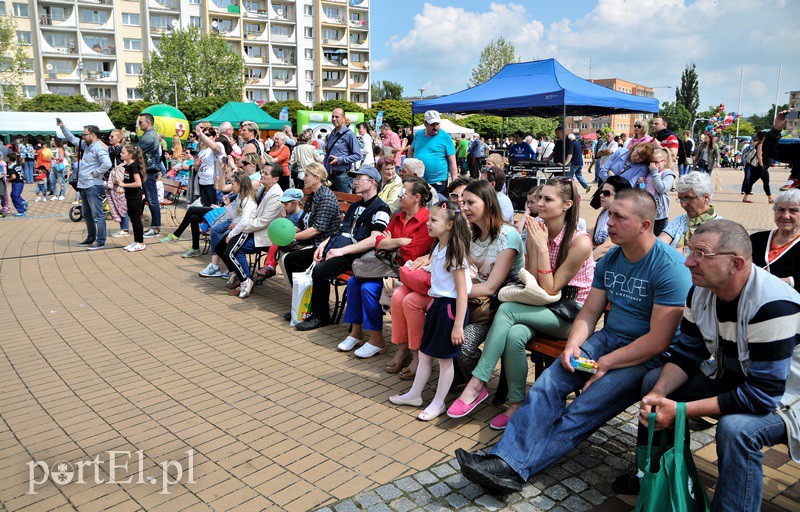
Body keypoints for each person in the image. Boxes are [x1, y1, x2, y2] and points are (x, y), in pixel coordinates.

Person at [455, 189, 692, 493]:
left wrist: (603, 365)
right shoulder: (611, 260)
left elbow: (659, 341)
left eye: (620, 217)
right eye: (610, 216)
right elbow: (590, 313)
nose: (609, 223)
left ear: (646, 225)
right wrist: (573, 346)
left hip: (647, 355)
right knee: (548, 385)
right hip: (609, 340)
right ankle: (507, 462)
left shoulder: (669, 266)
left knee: (584, 408)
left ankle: (511, 467)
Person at [623, 220, 800, 511]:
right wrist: (658, 395)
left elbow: (763, 396)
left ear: (736, 263)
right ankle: (653, 474)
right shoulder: (701, 290)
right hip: (735, 378)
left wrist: (680, 411)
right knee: (655, 383)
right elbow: (686, 354)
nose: (689, 261)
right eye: (690, 250)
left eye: (701, 254)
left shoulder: (773, 304)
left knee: (736, 429)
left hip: (787, 398)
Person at [450, 179, 594, 429]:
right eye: (540, 198)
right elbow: (533, 282)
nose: (540, 204)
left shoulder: (579, 241)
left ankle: (477, 383)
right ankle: (516, 404)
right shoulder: (538, 229)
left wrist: (538, 247)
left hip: (571, 315)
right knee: (515, 334)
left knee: (506, 309)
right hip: (542, 307)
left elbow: (551, 287)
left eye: (548, 200)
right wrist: (537, 246)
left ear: (567, 205)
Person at [389, 200, 472, 421]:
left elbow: (462, 292)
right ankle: (415, 394)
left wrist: (457, 325)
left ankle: (438, 402)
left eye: (433, 220)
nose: (428, 224)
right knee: (425, 353)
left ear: (450, 225)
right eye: (429, 219)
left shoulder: (455, 253)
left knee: (445, 359)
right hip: (438, 305)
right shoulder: (438, 247)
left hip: (450, 309)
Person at [342, 179, 434, 360]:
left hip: (404, 271)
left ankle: (377, 340)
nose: (399, 195)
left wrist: (389, 243)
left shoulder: (426, 220)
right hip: (385, 265)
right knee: (354, 281)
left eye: (404, 192)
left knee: (369, 288)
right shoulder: (398, 216)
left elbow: (413, 252)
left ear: (416, 198)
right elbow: (378, 243)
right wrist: (399, 242)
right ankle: (356, 332)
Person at [292, 166, 391, 331]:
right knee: (297, 259)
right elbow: (341, 230)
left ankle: (321, 316)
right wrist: (324, 245)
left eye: (360, 179)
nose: (355, 182)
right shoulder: (355, 206)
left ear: (372, 182)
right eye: (355, 179)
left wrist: (342, 251)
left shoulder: (381, 208)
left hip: (357, 255)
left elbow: (375, 239)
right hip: (340, 248)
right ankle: (303, 307)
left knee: (320, 270)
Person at [220, 163, 284, 299]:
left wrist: (242, 227)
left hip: (265, 234)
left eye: (266, 174)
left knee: (236, 250)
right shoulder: (262, 189)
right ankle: (240, 276)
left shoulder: (276, 195)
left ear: (275, 179)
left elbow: (264, 221)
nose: (262, 175)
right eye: (262, 172)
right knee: (223, 243)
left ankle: (245, 281)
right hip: (251, 229)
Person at [277, 163, 341, 290]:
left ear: (317, 178)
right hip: (312, 242)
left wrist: (292, 237)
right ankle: (298, 297)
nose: (303, 178)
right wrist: (285, 234)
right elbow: (302, 223)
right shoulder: (313, 195)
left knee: (291, 259)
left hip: (323, 245)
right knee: (282, 251)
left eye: (306, 175)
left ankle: (303, 298)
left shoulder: (326, 198)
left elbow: (316, 229)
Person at [59, 121, 112, 250]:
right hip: (84, 185)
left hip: (93, 185)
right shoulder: (87, 146)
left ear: (93, 135)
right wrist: (63, 127)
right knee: (87, 214)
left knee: (97, 215)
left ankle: (100, 241)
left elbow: (107, 163)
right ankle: (90, 238)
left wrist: (96, 172)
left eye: (85, 134)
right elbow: (72, 139)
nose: (83, 137)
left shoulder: (99, 148)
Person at [750, 189, 800, 291]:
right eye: (781, 210)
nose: (785, 216)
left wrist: (772, 282)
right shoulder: (756, 239)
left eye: (793, 211)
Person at [659, 171, 721, 252]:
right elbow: (659, 245)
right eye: (680, 199)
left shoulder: (719, 227)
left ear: (705, 197)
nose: (683, 204)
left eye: (688, 198)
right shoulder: (680, 220)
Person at [253, 188, 304, 284]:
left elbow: (295, 229)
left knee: (275, 245)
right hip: (285, 238)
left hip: (295, 239)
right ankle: (268, 266)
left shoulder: (300, 215)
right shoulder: (288, 213)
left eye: (286, 204)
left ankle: (270, 267)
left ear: (295, 203)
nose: (284, 207)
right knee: (274, 244)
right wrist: (283, 218)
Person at [407, 110, 457, 196]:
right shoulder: (419, 135)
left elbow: (452, 163)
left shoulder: (446, 137)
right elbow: (411, 149)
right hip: (420, 180)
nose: (436, 127)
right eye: (432, 124)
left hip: (438, 181)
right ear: (425, 124)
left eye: (437, 124)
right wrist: (410, 164)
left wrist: (455, 183)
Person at [591, 176, 631, 261]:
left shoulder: (623, 218)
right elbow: (591, 235)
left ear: (620, 195)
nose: (601, 195)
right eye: (601, 192)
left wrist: (585, 263)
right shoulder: (604, 212)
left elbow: (607, 247)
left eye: (606, 193)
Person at [115, 145, 146, 252]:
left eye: (123, 152)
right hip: (129, 196)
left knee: (136, 220)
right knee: (133, 219)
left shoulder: (133, 166)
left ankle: (141, 243)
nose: (121, 154)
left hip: (135, 197)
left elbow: (138, 183)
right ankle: (136, 241)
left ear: (130, 155)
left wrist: (124, 185)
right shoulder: (127, 166)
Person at [137, 113, 163, 238]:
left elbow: (136, 151)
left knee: (152, 200)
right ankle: (155, 227)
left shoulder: (149, 136)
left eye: (141, 122)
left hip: (149, 171)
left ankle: (156, 228)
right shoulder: (148, 135)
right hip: (147, 171)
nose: (139, 124)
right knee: (151, 199)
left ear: (148, 122)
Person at [641, 146, 676, 236]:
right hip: (647, 209)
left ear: (664, 162)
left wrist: (654, 173)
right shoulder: (649, 173)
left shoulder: (667, 174)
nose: (653, 165)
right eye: (651, 162)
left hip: (659, 213)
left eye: (656, 162)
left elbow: (662, 189)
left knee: (658, 236)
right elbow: (645, 189)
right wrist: (641, 184)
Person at [325, 108, 362, 192]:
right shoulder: (332, 134)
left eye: (337, 117)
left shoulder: (349, 135)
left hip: (342, 176)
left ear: (343, 118)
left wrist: (339, 160)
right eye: (332, 116)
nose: (334, 119)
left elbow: (358, 155)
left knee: (345, 202)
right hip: (330, 176)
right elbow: (327, 154)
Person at [742, 131, 772, 204]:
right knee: (757, 181)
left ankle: (769, 198)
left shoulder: (760, 143)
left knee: (763, 181)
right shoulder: (760, 144)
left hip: (762, 167)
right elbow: (759, 155)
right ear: (764, 137)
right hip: (761, 167)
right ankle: (769, 198)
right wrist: (762, 166)